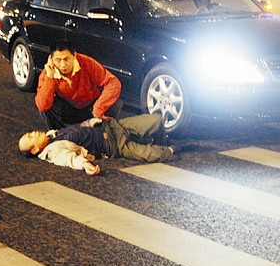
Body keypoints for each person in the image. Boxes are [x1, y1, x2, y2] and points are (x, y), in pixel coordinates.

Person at [18, 114, 174, 176]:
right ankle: (172, 149)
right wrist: (86, 165)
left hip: (113, 126)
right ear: (35, 150)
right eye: (31, 137)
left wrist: (91, 122)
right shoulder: (53, 151)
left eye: (30, 133)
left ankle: (161, 141)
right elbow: (69, 159)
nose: (34, 132)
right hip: (113, 145)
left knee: (156, 120)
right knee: (157, 154)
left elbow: (79, 129)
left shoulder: (52, 135)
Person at [35, 39, 122, 130]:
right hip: (69, 110)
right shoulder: (48, 73)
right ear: (51, 59)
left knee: (115, 102)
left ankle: (101, 134)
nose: (63, 65)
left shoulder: (87, 62)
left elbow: (113, 83)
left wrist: (99, 108)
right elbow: (42, 105)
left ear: (74, 56)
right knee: (46, 108)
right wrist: (50, 78)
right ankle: (61, 137)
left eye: (66, 59)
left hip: (91, 107)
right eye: (58, 60)